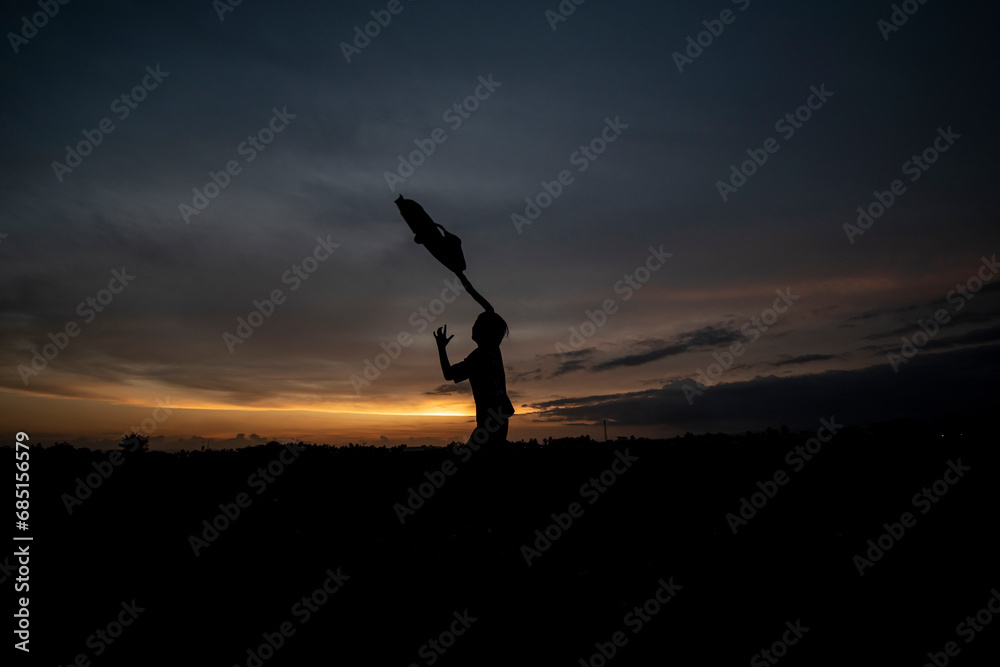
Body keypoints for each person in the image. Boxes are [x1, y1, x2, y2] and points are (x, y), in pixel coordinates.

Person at [434, 312, 514, 451]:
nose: (473, 327)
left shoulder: (478, 358)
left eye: (477, 324)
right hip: (500, 417)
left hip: (490, 422)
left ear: (484, 331)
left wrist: (441, 348)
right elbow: (491, 312)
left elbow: (448, 374)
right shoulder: (494, 350)